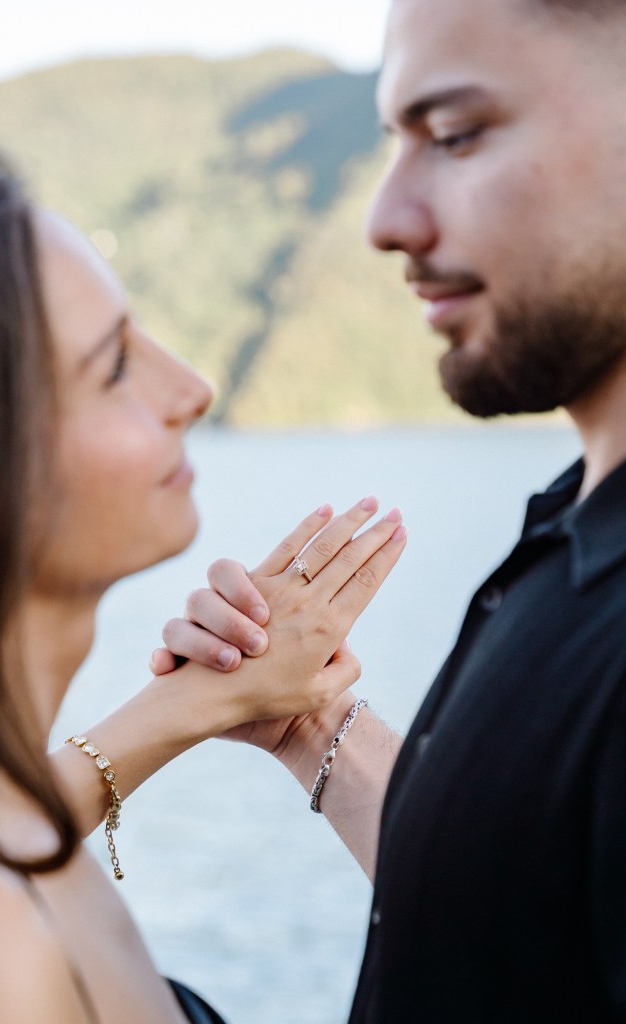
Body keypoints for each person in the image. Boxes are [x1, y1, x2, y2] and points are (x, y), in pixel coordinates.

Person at [156, 0, 626, 1018]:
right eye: (393, 144)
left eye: (454, 135)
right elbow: (516, 923)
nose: (384, 219)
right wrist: (311, 724)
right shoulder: (573, 526)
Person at [0, 149, 408, 1024]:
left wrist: (275, 715)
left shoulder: (8, 841)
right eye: (114, 367)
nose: (192, 390)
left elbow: (10, 822)